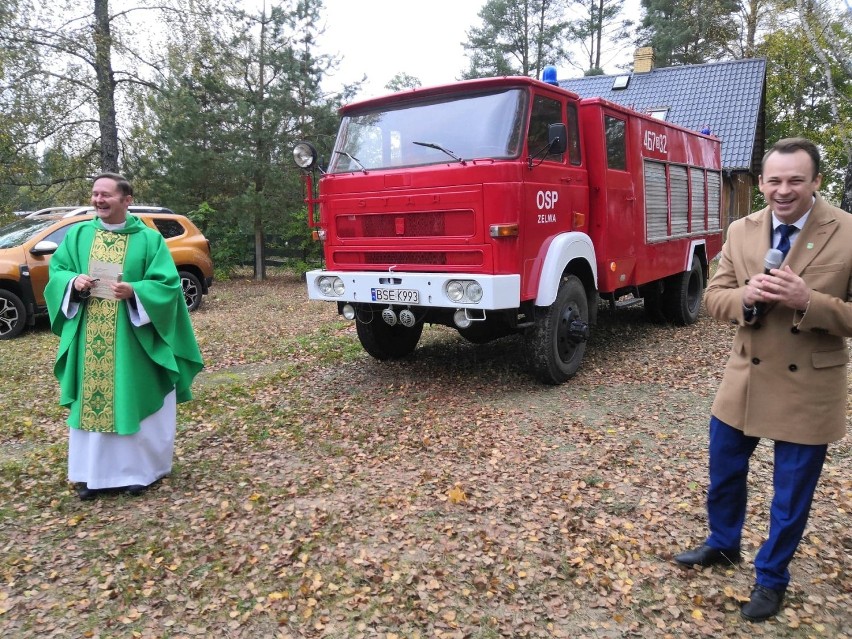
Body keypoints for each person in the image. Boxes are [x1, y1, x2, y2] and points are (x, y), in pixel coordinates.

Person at [673, 138, 852, 621]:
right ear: (762, 182)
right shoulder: (741, 230)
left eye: (796, 179)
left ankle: (772, 578)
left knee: (790, 497)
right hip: (745, 380)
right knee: (724, 474)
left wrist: (807, 300)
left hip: (809, 386)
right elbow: (713, 297)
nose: (783, 190)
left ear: (816, 181)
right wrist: (747, 297)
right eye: (774, 180)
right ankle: (723, 543)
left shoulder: (848, 232)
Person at [45, 173, 204, 501]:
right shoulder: (78, 236)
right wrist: (73, 283)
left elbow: (168, 286)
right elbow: (57, 272)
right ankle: (90, 474)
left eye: (106, 195)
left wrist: (135, 291)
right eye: (94, 195)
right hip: (89, 333)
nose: (98, 201)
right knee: (92, 400)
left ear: (126, 199)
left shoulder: (148, 240)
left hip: (133, 338)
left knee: (131, 396)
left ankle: (138, 472)